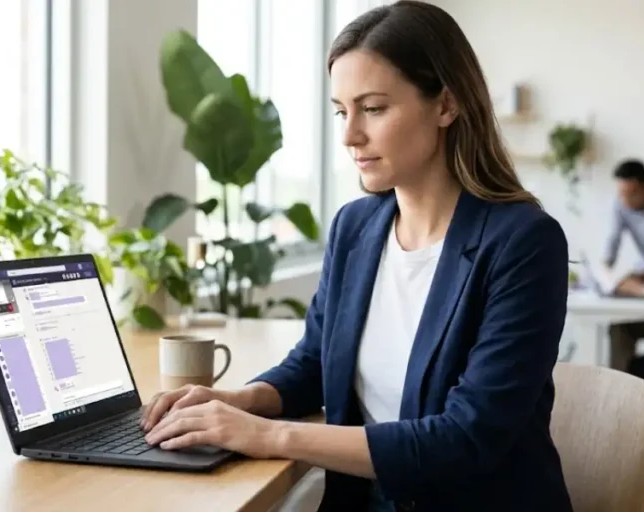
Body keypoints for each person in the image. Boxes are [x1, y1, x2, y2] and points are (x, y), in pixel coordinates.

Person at [139, 2, 572, 511]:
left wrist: (266, 436)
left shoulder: (524, 243)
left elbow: (465, 439)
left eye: (373, 108)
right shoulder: (355, 227)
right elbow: (314, 363)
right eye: (342, 111)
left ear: (446, 105)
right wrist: (238, 401)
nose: (349, 136)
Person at [603, 159, 644, 376]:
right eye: (621, 194)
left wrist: (635, 280)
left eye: (630, 194)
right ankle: (618, 391)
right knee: (620, 327)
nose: (624, 201)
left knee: (642, 368)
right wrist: (605, 269)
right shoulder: (621, 204)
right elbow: (612, 240)